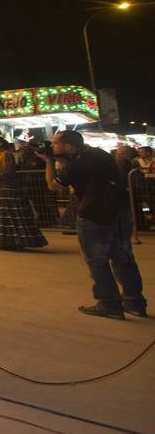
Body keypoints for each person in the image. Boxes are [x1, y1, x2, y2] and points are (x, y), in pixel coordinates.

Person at [43, 131, 146, 319]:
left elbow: (53, 185)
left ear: (68, 146)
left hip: (94, 214)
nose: (52, 146)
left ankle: (109, 304)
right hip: (121, 210)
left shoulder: (78, 163)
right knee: (123, 257)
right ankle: (135, 302)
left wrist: (48, 162)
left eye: (55, 143)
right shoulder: (99, 154)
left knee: (97, 261)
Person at [0, 135, 47, 250]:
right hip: (1, 188)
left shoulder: (6, 155)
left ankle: (16, 241)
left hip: (8, 188)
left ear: (0, 143)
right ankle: (7, 241)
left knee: (11, 214)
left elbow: (8, 172)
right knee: (5, 215)